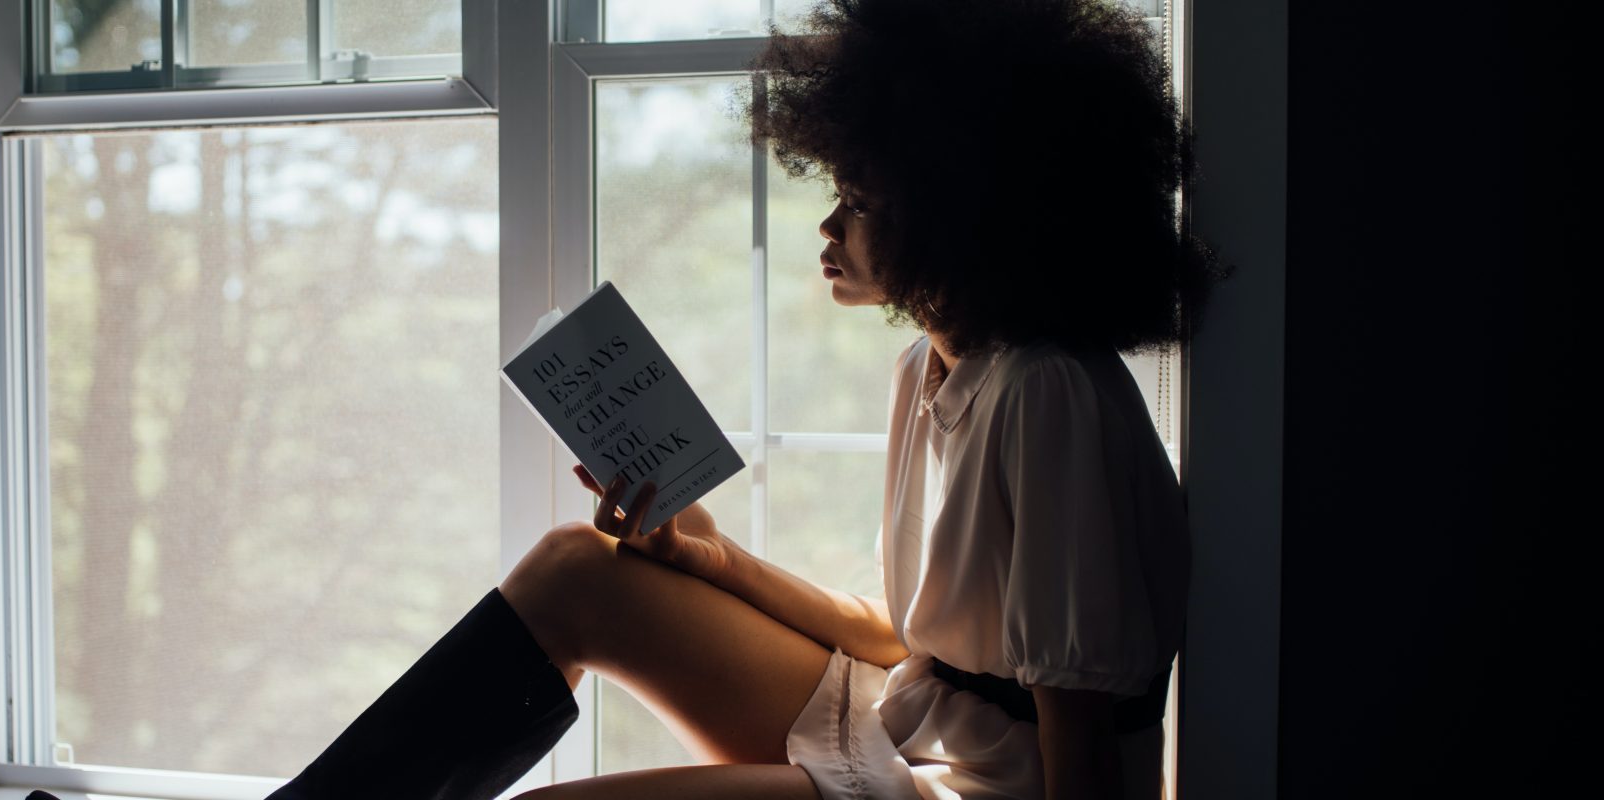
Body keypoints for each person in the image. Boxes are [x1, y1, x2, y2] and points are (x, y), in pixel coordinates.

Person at [264, 0, 1227, 798]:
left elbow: (1083, 732)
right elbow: (901, 636)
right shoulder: (929, 371)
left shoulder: (1047, 391)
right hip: (910, 713)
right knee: (575, 567)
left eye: (861, 201)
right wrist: (705, 557)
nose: (828, 220)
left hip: (985, 785)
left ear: (956, 213)